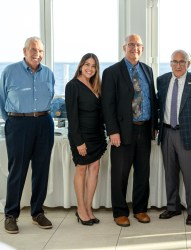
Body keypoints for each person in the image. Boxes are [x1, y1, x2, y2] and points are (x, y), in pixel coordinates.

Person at [101, 34, 158, 227]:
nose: (135, 48)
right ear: (124, 47)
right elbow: (107, 105)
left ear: (142, 49)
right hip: (123, 131)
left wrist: (154, 127)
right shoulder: (112, 72)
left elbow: (152, 99)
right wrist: (113, 131)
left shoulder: (148, 70)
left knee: (143, 172)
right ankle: (120, 212)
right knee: (120, 174)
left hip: (144, 129)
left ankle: (140, 209)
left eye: (138, 45)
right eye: (131, 44)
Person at [0, 36, 55, 234]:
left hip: (44, 122)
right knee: (17, 170)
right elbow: (2, 99)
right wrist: (14, 120)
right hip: (18, 123)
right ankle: (11, 215)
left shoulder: (48, 73)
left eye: (40, 51)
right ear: (24, 51)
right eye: (33, 49)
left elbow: (50, 96)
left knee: (41, 169)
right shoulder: (10, 71)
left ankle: (37, 212)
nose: (37, 54)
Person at [157, 50, 191, 225]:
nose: (178, 65)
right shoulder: (163, 80)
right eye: (175, 61)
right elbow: (157, 107)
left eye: (182, 62)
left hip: (189, 135)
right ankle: (173, 207)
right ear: (170, 63)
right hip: (166, 133)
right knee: (170, 173)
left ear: (188, 64)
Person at [65, 53, 107, 226]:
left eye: (94, 66)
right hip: (81, 135)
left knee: (95, 168)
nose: (90, 68)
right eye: (87, 64)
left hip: (96, 135)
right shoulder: (72, 85)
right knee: (81, 169)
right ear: (81, 65)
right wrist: (78, 141)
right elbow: (72, 117)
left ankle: (89, 208)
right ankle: (80, 209)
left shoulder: (95, 86)